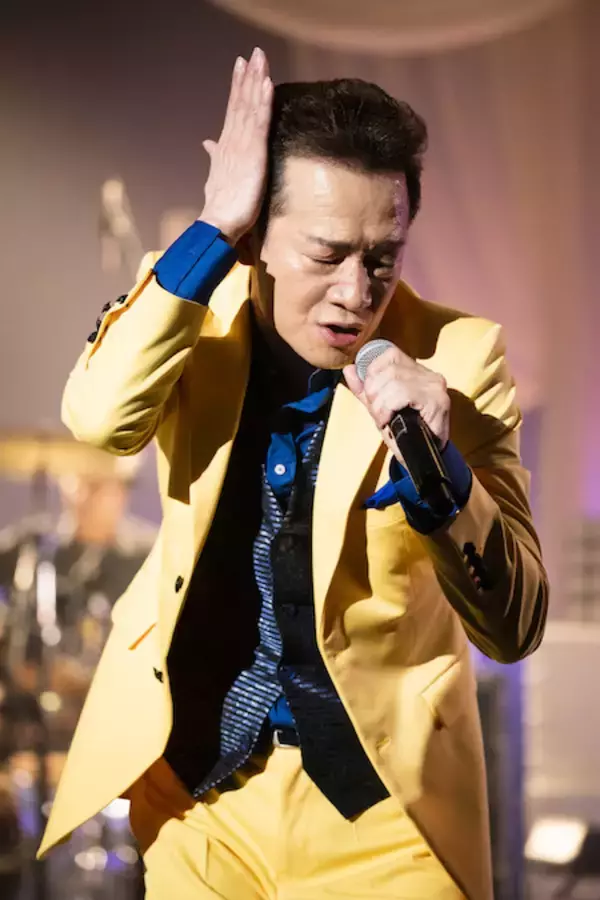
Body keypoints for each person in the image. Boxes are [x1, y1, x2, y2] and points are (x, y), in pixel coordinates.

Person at [39, 47, 548, 900]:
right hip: (201, 798)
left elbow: (515, 627)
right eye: (326, 253)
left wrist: (445, 474)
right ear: (256, 238)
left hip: (386, 816)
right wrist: (211, 229)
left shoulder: (459, 360)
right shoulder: (192, 311)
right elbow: (99, 419)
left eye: (382, 257)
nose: (356, 292)